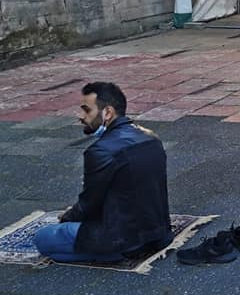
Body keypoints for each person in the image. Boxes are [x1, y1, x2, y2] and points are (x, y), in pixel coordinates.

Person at [33, 82, 173, 263]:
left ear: (107, 112)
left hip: (122, 240)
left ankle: (112, 254)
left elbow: (88, 205)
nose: (81, 117)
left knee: (42, 238)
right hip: (159, 235)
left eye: (86, 110)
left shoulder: (100, 151)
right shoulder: (151, 138)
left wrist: (67, 217)